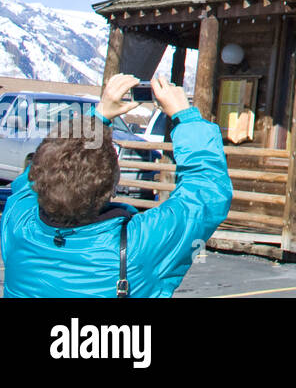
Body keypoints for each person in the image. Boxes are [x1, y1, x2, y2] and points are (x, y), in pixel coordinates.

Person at [1, 68, 232, 297]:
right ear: (113, 185)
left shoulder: (18, 221)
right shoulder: (141, 245)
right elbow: (205, 191)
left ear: (39, 176)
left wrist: (98, 117)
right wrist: (186, 116)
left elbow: (34, 174)